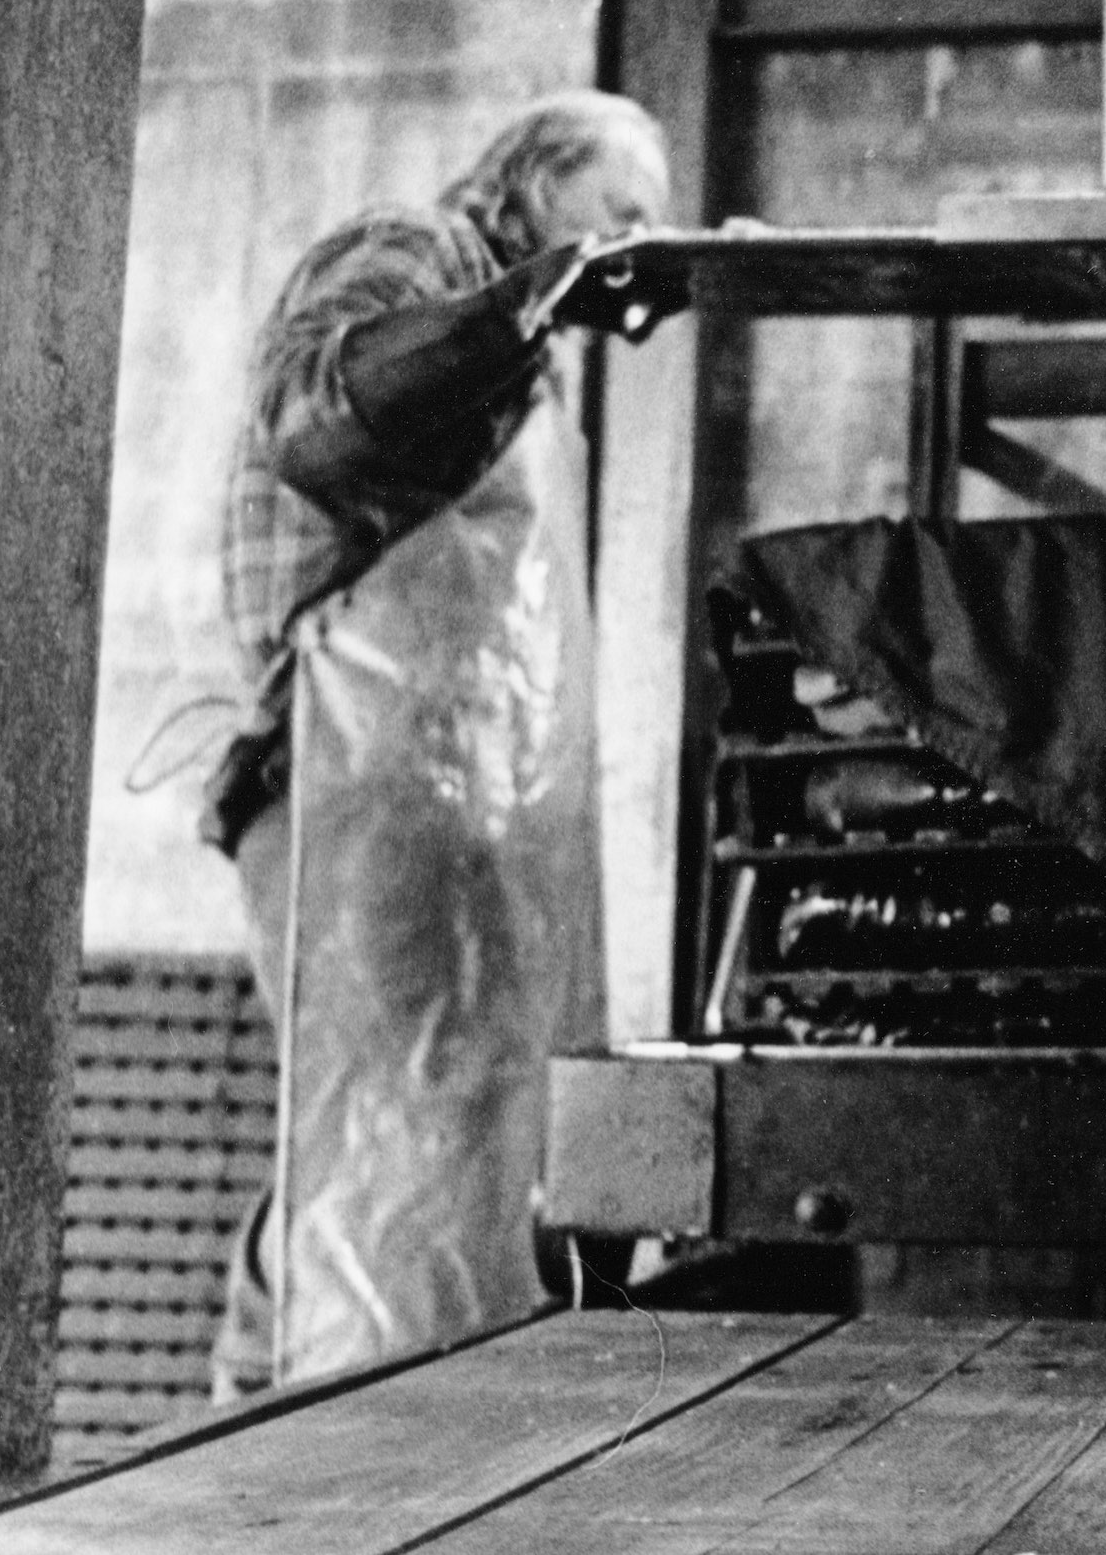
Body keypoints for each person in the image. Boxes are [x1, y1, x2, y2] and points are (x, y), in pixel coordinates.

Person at [203, 87, 671, 1393]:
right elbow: (314, 418)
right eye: (618, 209)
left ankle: (266, 1405)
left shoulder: (521, 350)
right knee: (382, 1113)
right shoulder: (422, 254)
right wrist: (524, 302)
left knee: (404, 1110)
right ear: (535, 170)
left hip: (418, 776)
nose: (635, 236)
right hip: (338, 759)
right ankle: (304, 1434)